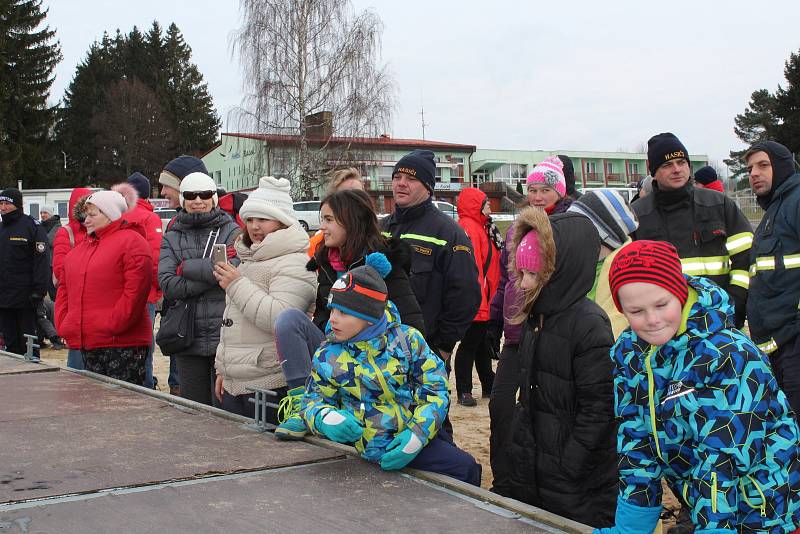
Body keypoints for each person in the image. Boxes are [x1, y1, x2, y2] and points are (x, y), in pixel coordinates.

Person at [598, 240, 800, 533]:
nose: (652, 320)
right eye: (636, 311)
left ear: (679, 293)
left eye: (661, 304)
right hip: (703, 504)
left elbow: (722, 459)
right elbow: (636, 439)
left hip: (764, 508)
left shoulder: (727, 355)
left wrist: (714, 528)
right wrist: (632, 526)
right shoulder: (630, 354)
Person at [300, 253, 482, 486]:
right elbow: (311, 400)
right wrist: (325, 417)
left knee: (465, 468)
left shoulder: (408, 341)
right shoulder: (328, 353)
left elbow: (435, 389)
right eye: (332, 310)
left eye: (343, 313)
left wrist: (417, 435)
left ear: (368, 316)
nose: (332, 319)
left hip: (409, 439)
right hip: (357, 448)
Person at [273, 188, 424, 439]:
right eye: (322, 219)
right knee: (289, 320)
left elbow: (411, 325)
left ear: (351, 220)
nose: (323, 227)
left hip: (375, 361)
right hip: (335, 351)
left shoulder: (384, 264)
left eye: (329, 220)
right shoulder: (325, 262)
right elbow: (322, 315)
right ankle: (302, 406)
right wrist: (336, 338)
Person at [500, 207, 617, 526]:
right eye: (519, 273)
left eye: (531, 274)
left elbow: (600, 410)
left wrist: (568, 465)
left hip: (577, 485)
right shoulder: (537, 319)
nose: (522, 284)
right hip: (537, 472)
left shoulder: (589, 325)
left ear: (558, 271)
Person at [212, 177, 317, 420]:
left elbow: (281, 320)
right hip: (236, 382)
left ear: (283, 222)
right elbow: (233, 325)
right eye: (249, 219)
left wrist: (236, 284)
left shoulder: (295, 262)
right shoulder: (250, 259)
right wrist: (224, 371)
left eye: (263, 219)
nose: (254, 226)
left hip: (271, 382)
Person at [631, 132, 752, 328]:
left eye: (681, 162)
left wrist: (735, 302)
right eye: (667, 165)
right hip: (663, 327)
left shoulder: (718, 204)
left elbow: (746, 257)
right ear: (653, 171)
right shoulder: (637, 215)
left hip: (722, 318)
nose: (677, 169)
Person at [380, 149, 480, 367]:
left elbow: (466, 293)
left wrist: (443, 346)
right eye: (397, 177)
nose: (401, 183)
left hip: (424, 353)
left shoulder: (447, 232)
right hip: (379, 352)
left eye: (411, 178)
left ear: (427, 187)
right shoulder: (381, 228)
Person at [158, 172, 241, 405]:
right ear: (183, 199)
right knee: (193, 411)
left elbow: (236, 270)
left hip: (224, 335)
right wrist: (213, 275)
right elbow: (168, 284)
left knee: (225, 409)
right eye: (191, 195)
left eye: (204, 194)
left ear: (213, 198)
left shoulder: (231, 231)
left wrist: (186, 267)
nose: (198, 200)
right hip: (188, 336)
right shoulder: (172, 236)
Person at [55, 191, 152, 384]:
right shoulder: (80, 250)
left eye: (93, 214)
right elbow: (64, 289)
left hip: (122, 343)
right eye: (85, 215)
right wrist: (64, 322)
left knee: (122, 405)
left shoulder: (131, 242)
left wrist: (113, 324)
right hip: (88, 340)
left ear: (110, 214)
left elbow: (135, 291)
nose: (86, 220)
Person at [745, 141, 800, 414]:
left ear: (782, 166)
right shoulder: (774, 211)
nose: (754, 173)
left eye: (763, 165)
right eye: (750, 168)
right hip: (779, 344)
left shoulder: (796, 201)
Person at [112, 178, 165, 390]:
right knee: (144, 345)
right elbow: (153, 258)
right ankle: (145, 386)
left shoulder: (113, 214)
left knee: (119, 342)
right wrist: (158, 287)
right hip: (144, 294)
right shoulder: (149, 218)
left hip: (116, 291)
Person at [567, 189, 639, 338]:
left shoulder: (628, 272)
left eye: (582, 230)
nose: (576, 238)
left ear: (606, 236)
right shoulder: (587, 265)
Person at [453, 187, 500, 406]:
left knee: (481, 345)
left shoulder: (481, 227)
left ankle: (489, 385)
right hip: (476, 300)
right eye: (486, 203)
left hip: (484, 299)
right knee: (469, 346)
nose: (490, 206)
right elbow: (474, 269)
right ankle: (464, 390)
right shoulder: (469, 227)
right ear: (475, 205)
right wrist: (478, 302)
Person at [0, 188, 50, 357]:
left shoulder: (32, 226)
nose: (3, 208)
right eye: (1, 204)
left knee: (28, 343)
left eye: (7, 204)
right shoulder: (1, 229)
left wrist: (39, 290)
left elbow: (41, 261)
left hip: (26, 298)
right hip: (3, 298)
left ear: (18, 205)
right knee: (10, 344)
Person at [52, 187, 93, 369]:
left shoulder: (98, 230)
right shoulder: (66, 232)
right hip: (75, 301)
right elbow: (61, 270)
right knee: (77, 354)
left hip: (94, 302)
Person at [306, 167, 365, 258]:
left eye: (359, 195)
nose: (355, 202)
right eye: (345, 197)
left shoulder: (379, 242)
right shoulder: (315, 247)